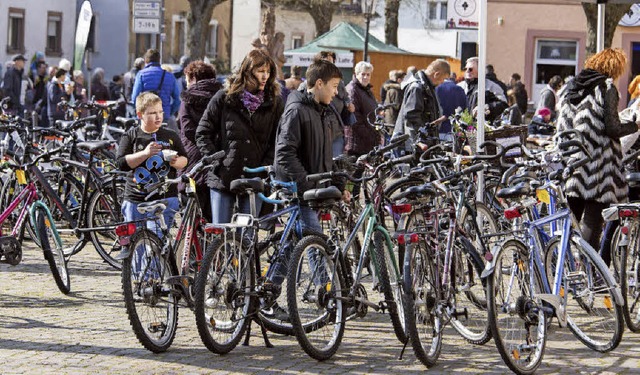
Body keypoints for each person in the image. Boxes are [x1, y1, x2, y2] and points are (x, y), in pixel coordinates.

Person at [556, 48, 640, 265]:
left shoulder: (572, 87)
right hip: (598, 165)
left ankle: (560, 270)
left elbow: (563, 126)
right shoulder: (606, 87)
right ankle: (589, 273)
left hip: (573, 162)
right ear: (613, 67)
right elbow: (612, 128)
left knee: (570, 221)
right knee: (593, 222)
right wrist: (634, 125)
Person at [271, 59, 349, 292]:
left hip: (310, 188)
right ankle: (328, 293)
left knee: (295, 242)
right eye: (334, 86)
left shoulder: (321, 111)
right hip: (298, 189)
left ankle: (269, 291)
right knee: (316, 239)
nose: (336, 93)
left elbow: (325, 156)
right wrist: (304, 184)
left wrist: (337, 182)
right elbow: (284, 153)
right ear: (319, 83)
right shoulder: (297, 110)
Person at [196, 49, 283, 224]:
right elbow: (203, 132)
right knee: (222, 235)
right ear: (248, 71)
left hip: (254, 179)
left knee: (246, 236)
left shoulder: (274, 101)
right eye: (260, 71)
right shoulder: (224, 97)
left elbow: (278, 139)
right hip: (224, 176)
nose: (265, 76)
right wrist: (216, 161)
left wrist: (264, 167)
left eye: (268, 72)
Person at [116, 92, 188, 243]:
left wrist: (175, 161)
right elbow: (121, 163)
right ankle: (137, 268)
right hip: (136, 198)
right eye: (153, 113)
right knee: (135, 247)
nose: (158, 117)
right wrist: (145, 154)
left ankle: (153, 267)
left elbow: (184, 160)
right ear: (139, 114)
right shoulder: (131, 136)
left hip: (164, 198)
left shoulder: (170, 135)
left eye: (160, 112)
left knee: (155, 244)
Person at [177, 60, 222, 222]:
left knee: (191, 214)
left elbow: (188, 130)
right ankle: (210, 245)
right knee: (213, 214)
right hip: (217, 158)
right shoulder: (221, 97)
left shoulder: (188, 99)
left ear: (194, 78)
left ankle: (194, 246)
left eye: (188, 80)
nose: (187, 84)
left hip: (193, 159)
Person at [298, 50, 355, 156]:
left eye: (331, 63)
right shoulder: (306, 85)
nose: (329, 66)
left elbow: (345, 98)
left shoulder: (339, 84)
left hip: (335, 133)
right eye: (326, 63)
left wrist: (349, 105)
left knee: (335, 166)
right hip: (315, 135)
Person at [395, 59, 449, 148]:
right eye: (443, 79)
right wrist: (419, 141)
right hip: (415, 146)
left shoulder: (427, 87)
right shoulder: (417, 87)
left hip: (421, 143)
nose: (442, 82)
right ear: (437, 74)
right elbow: (412, 117)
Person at [132, 49, 181, 132]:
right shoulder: (169, 76)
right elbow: (177, 100)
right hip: (163, 115)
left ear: (146, 60)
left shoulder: (141, 74)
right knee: (163, 142)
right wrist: (169, 112)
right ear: (159, 60)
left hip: (146, 116)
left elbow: (134, 98)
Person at [345, 61, 380, 157]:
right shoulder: (353, 90)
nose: (366, 77)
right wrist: (370, 135)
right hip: (357, 143)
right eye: (363, 74)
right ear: (356, 74)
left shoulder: (366, 89)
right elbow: (354, 118)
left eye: (368, 74)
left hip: (367, 141)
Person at [458, 57, 508, 124]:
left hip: (483, 129)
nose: (467, 71)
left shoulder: (491, 87)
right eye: (465, 69)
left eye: (470, 69)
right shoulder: (460, 86)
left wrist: (486, 108)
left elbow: (504, 105)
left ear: (480, 70)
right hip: (461, 129)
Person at [436, 68, 467, 141]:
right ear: (455, 78)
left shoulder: (437, 88)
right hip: (453, 129)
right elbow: (465, 108)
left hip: (438, 128)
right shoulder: (459, 89)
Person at [47, 59, 73, 125]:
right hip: (55, 114)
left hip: (61, 113)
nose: (65, 77)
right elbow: (54, 99)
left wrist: (68, 94)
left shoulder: (62, 85)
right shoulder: (53, 85)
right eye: (64, 75)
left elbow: (66, 99)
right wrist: (64, 93)